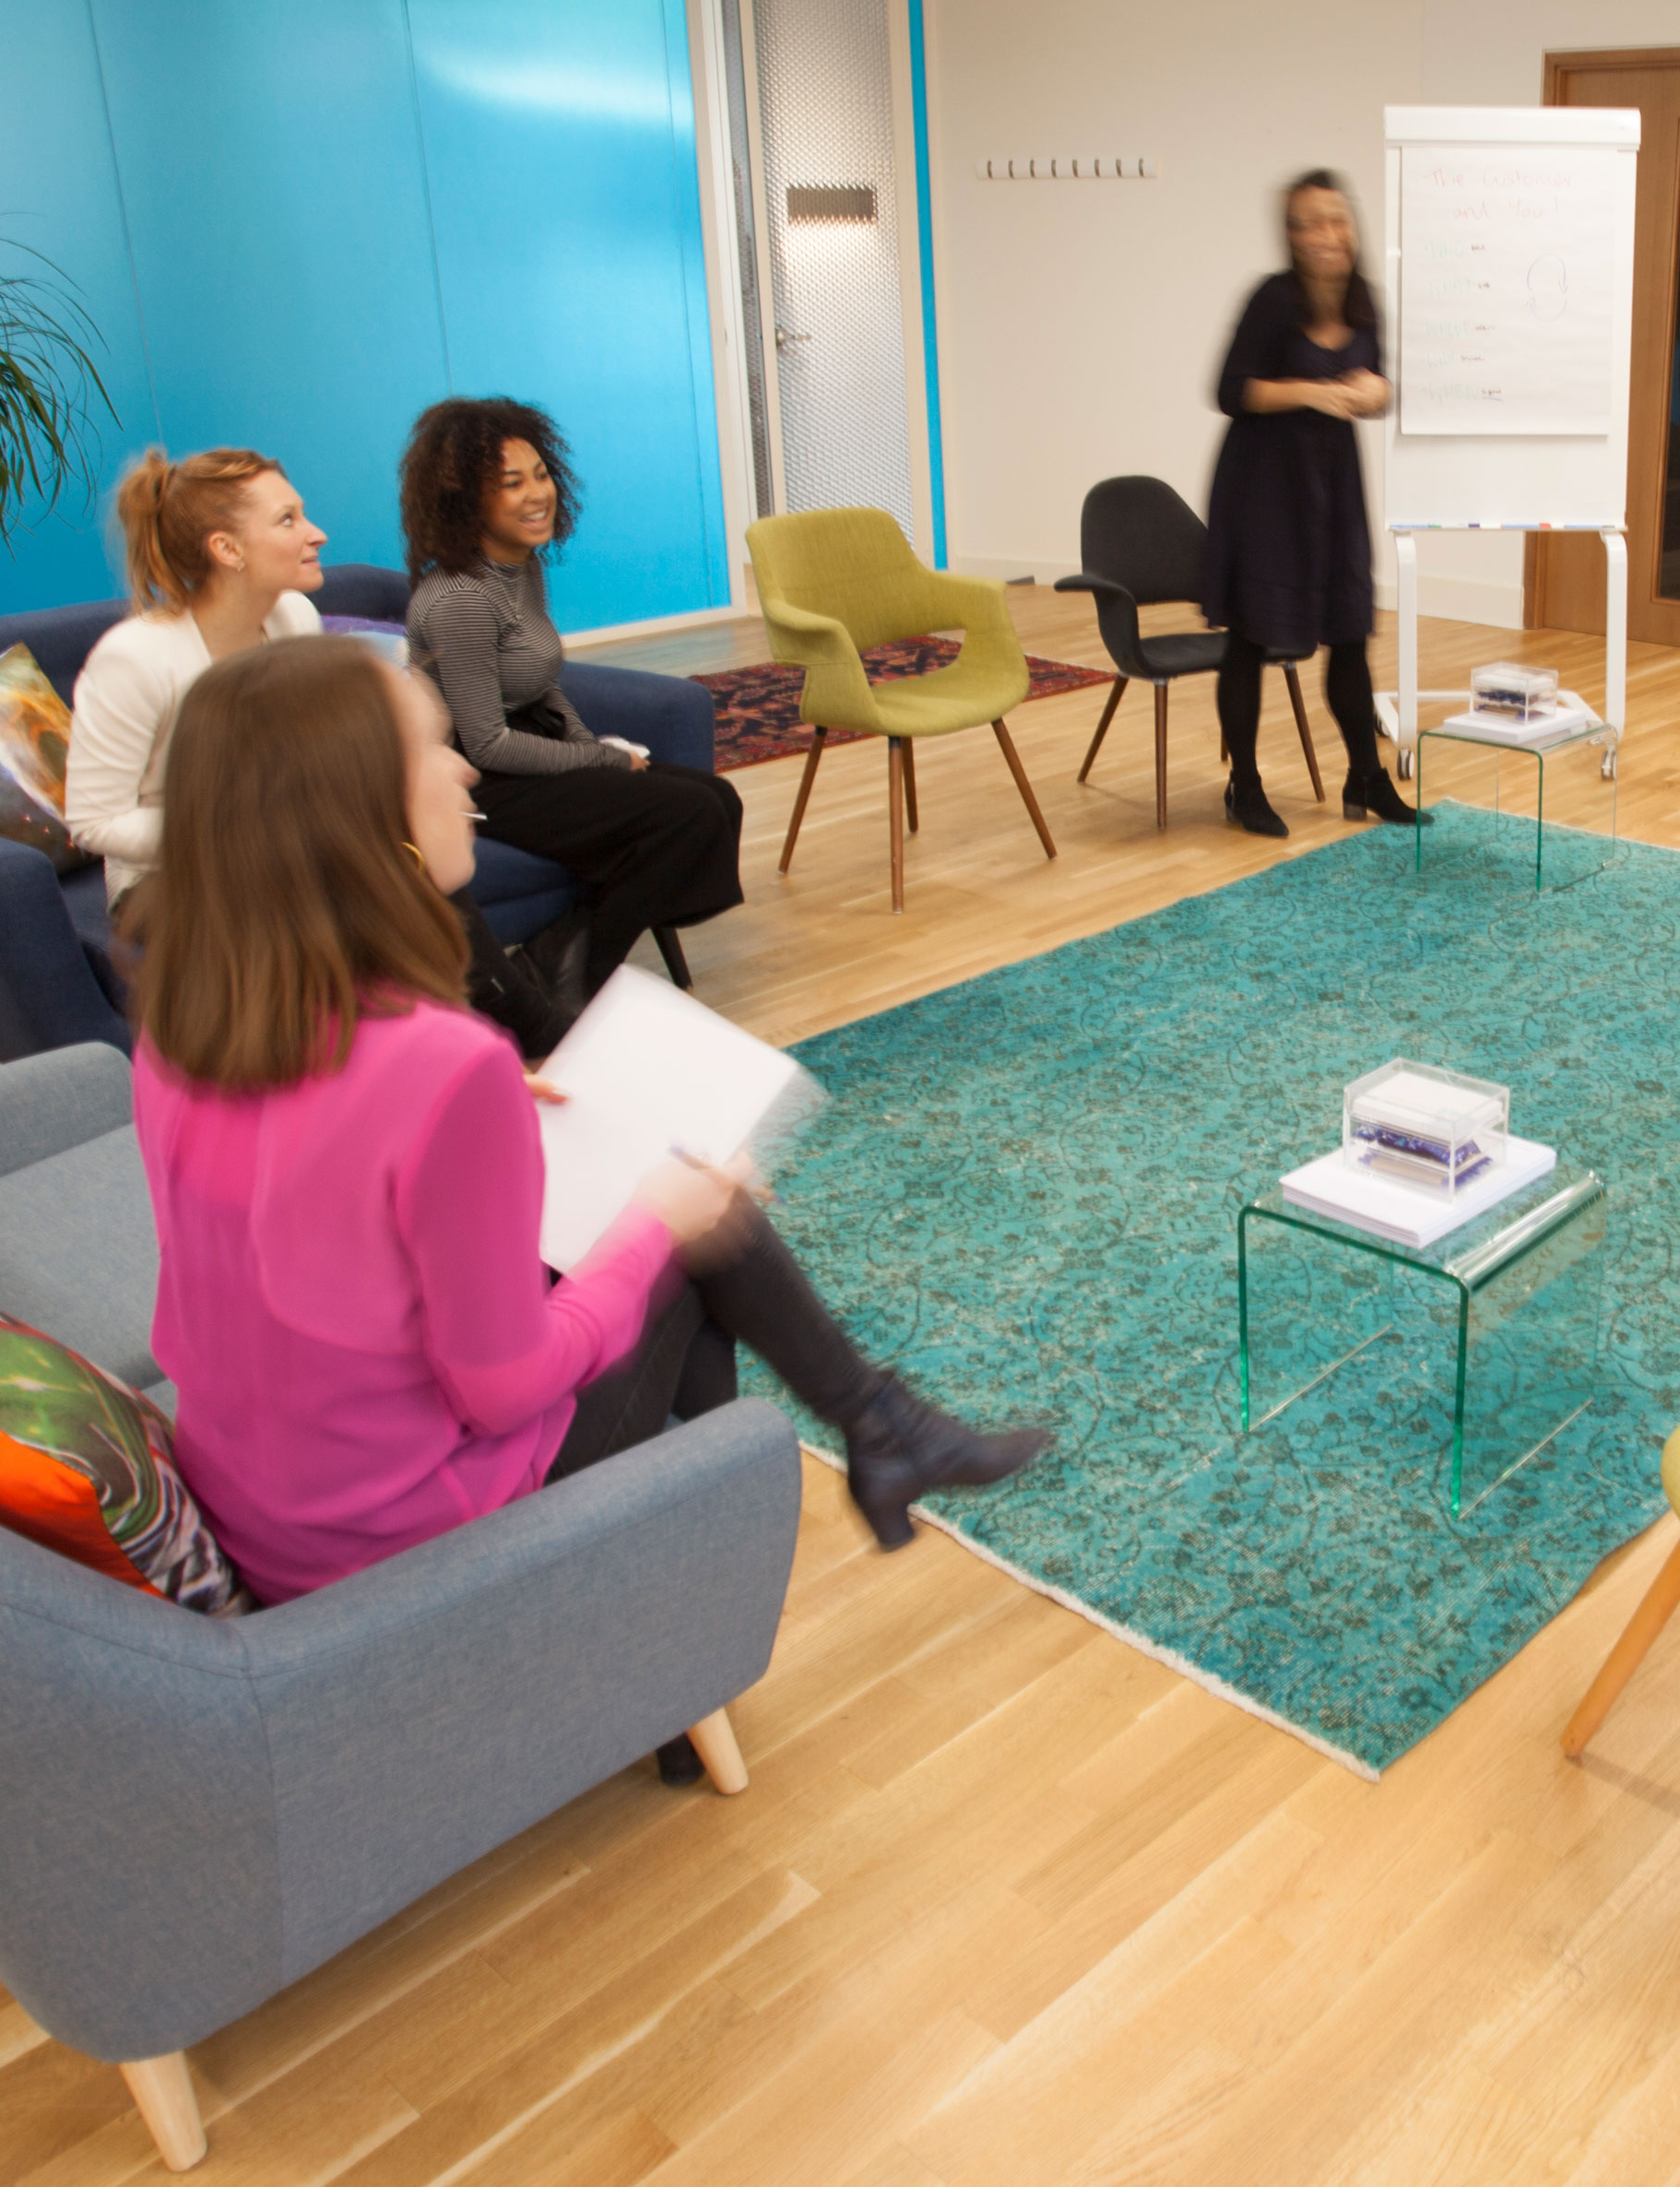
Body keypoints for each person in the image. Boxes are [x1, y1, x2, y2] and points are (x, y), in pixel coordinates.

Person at [128, 635, 1050, 1645]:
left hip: (272, 1507)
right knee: (700, 1221)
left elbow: (317, 1185)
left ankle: (861, 1444)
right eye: (434, 749)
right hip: (407, 1536)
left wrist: (494, 1115)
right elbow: (502, 1389)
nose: (466, 769)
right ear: (364, 818)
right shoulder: (438, 1063)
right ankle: (723, 1587)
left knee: (680, 1209)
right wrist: (654, 1219)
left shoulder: (187, 1013)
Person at [401, 396, 745, 1011]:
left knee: (717, 797)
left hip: (525, 750)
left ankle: (557, 959)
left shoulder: (520, 566)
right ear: (465, 498)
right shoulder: (460, 598)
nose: (538, 493)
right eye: (511, 483)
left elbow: (541, 678)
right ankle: (567, 981)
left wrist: (591, 745)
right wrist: (602, 764)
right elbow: (484, 742)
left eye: (540, 473)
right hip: (481, 778)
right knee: (685, 816)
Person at [1202, 171, 1423, 836]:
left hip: (1332, 487)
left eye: (1334, 220)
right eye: (1305, 224)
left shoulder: (1365, 303)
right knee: (1250, 636)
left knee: (1348, 634)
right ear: (1290, 237)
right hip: (1264, 487)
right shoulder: (1271, 301)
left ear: (1351, 226)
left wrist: (1371, 393)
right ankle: (1243, 783)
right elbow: (1229, 390)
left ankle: (1366, 775)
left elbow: (1381, 383)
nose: (1323, 235)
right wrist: (1311, 390)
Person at [64, 445, 327, 903]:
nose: (317, 534)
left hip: (281, 856)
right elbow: (94, 823)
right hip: (170, 882)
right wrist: (244, 832)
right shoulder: (133, 658)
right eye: (288, 520)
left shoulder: (296, 617)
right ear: (227, 549)